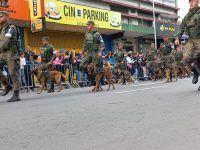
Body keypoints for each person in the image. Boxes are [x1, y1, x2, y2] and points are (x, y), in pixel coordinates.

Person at [175, 0, 200, 85]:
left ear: (198, 2)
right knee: (185, 59)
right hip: (191, 41)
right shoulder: (186, 16)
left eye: (194, 1)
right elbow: (181, 27)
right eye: (190, 1)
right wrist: (178, 37)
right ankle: (195, 72)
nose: (192, 3)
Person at [0, 11, 21, 102]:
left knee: (13, 72)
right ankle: (7, 85)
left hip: (11, 52)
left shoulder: (11, 28)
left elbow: (7, 41)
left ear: (7, 17)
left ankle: (16, 94)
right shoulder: (1, 29)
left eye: (1, 16)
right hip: (2, 53)